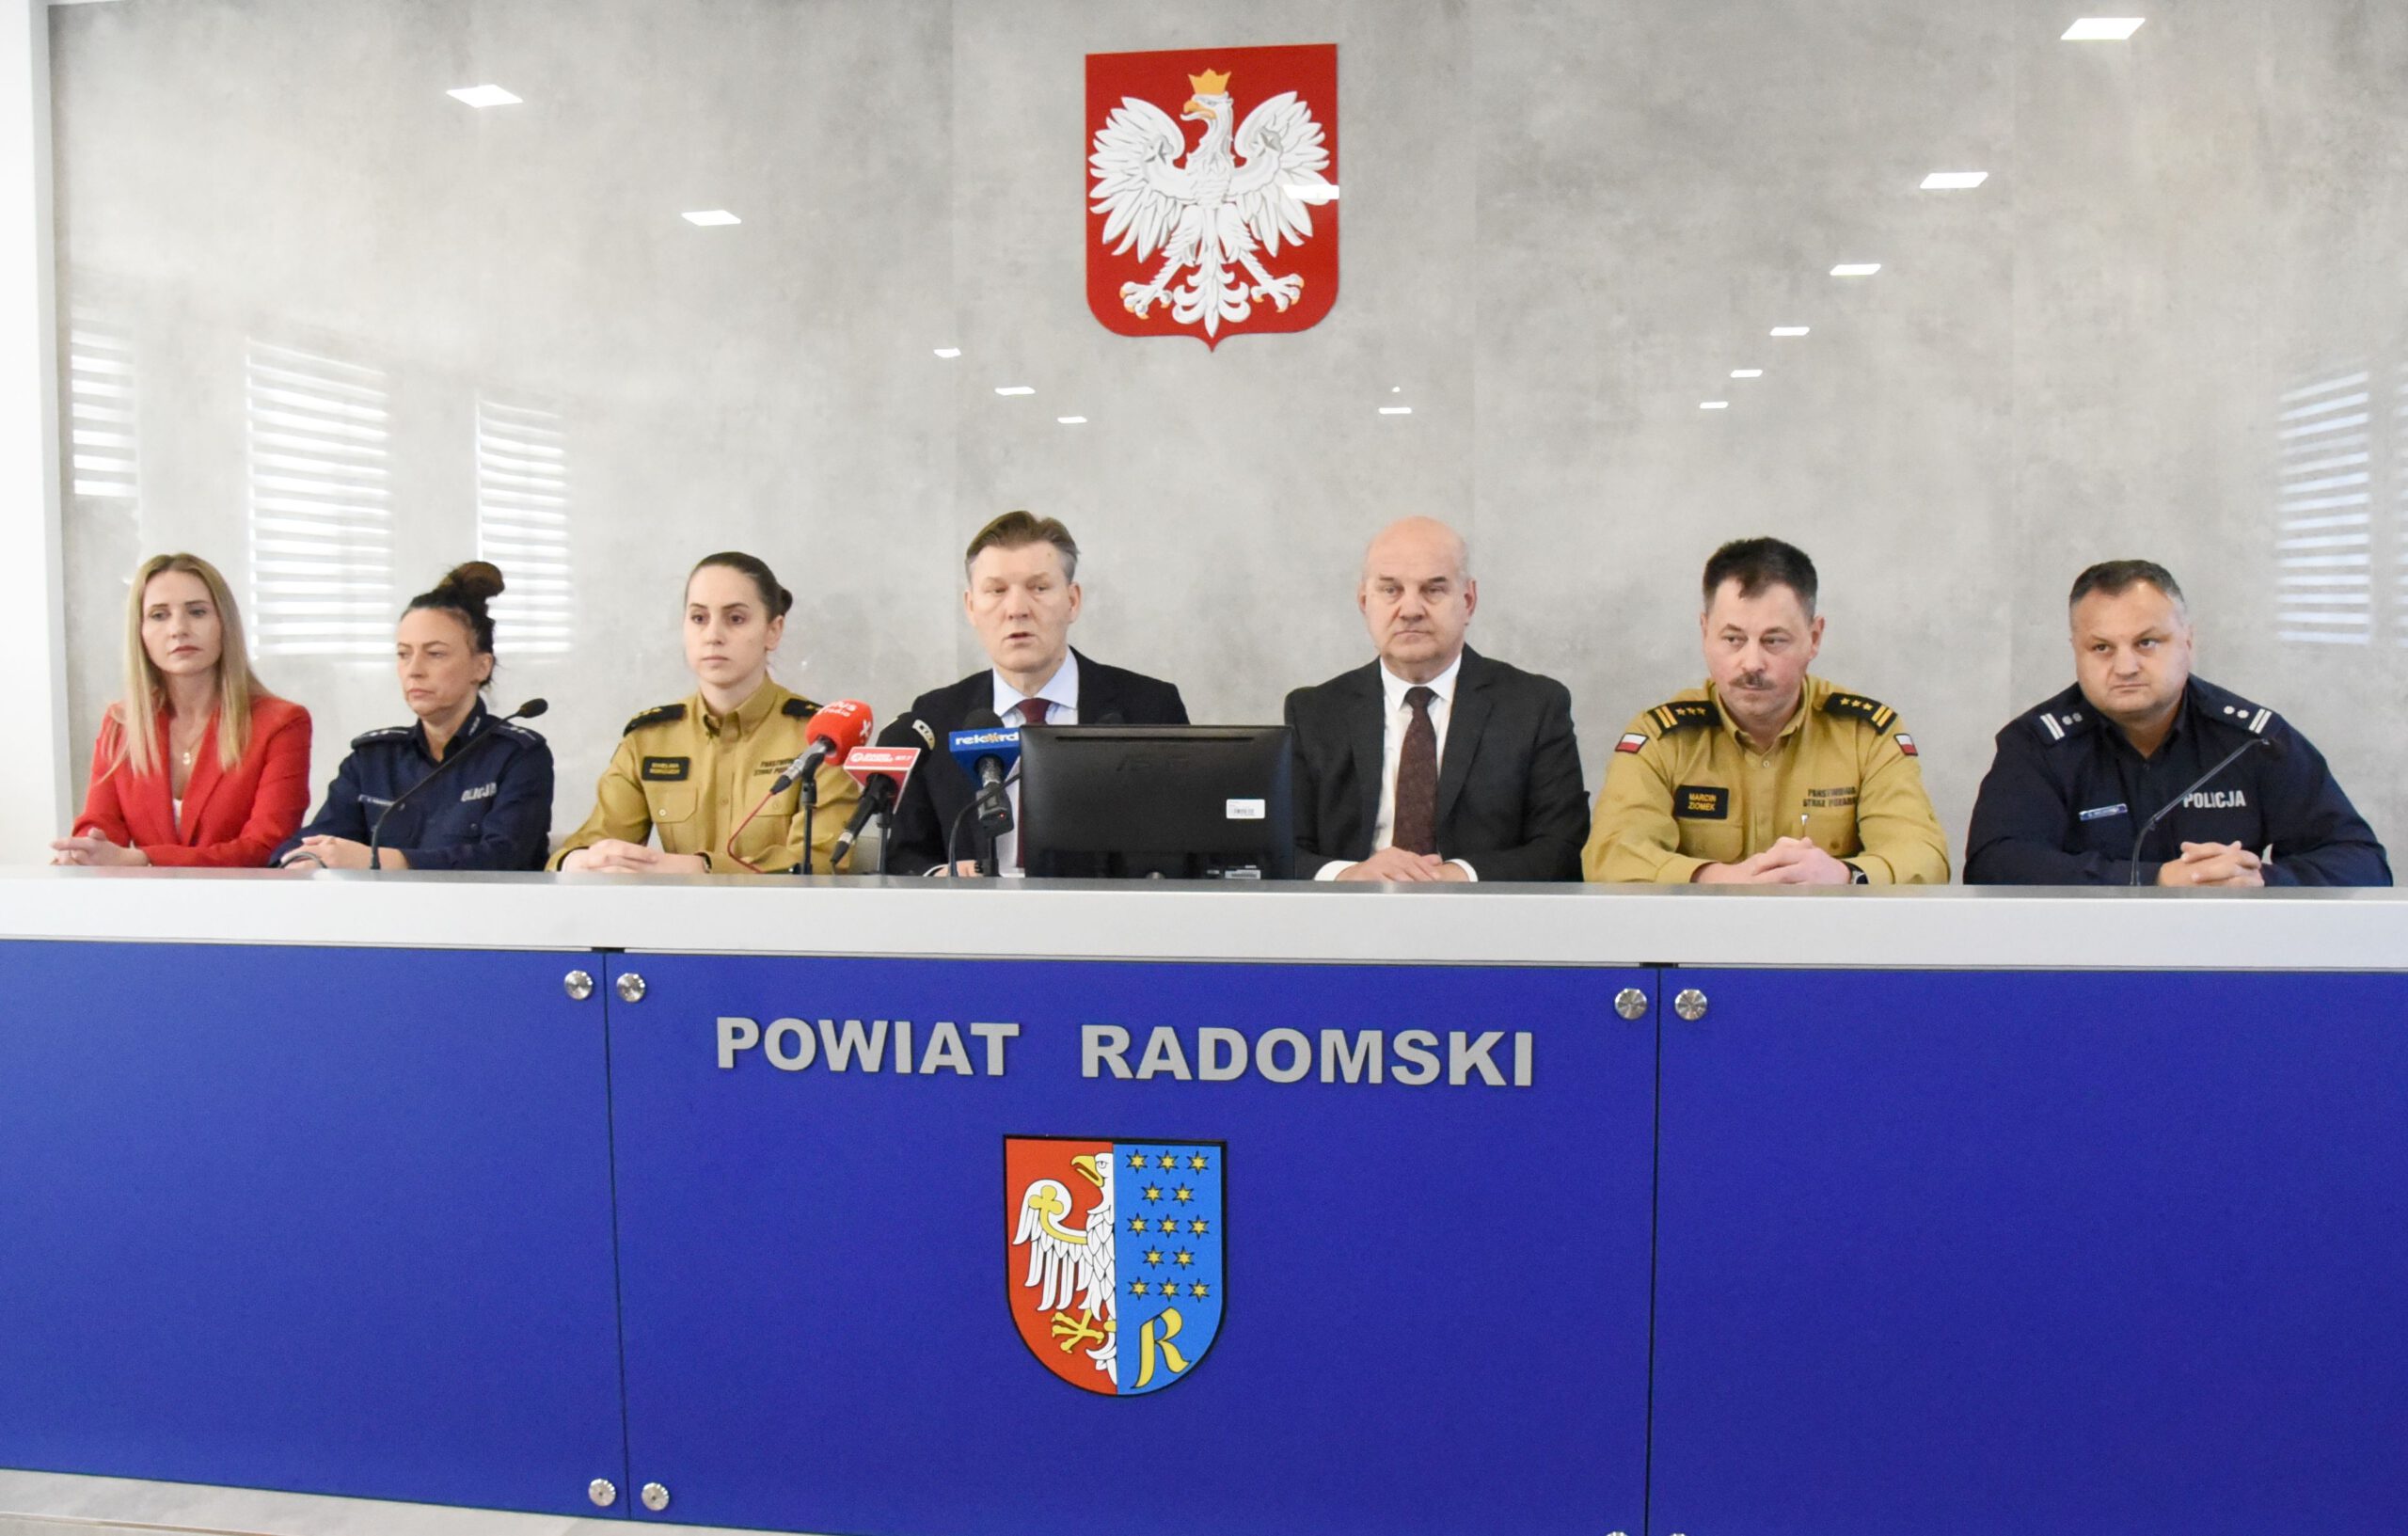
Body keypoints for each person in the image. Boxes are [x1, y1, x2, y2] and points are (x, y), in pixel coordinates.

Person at [1965, 560, 2389, 886]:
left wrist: (2259, 880)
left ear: (2188, 641)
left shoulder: (2253, 740)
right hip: (2087, 957)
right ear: (2076, 650)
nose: (2125, 667)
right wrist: (2152, 880)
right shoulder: (2038, 744)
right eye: (2101, 648)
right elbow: (1993, 866)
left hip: (2231, 955)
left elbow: (2363, 863)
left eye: (2147, 642)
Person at [1585, 537, 1948, 885]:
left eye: (1774, 641)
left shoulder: (1865, 735)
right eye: (1733, 639)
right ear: (1705, 631)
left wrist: (1844, 875)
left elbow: (1924, 856)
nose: (1752, 663)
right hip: (1700, 931)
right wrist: (1717, 879)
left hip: (1825, 928)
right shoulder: (1662, 739)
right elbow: (1610, 855)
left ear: (1814, 638)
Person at [883, 510, 1188, 876]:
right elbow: (905, 857)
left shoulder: (1149, 708)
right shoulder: (935, 718)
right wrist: (942, 876)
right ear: (971, 607)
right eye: (997, 591)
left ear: (1073, 601)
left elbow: (1182, 851)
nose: (1017, 610)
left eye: (1039, 588)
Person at [1284, 516, 1589, 882]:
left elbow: (1562, 847)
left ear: (1468, 601)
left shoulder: (1534, 706)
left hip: (1485, 912)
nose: (1411, 610)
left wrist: (1456, 877)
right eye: (1391, 590)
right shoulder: (1314, 712)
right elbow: (1280, 850)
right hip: (1350, 912)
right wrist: (1350, 875)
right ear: (1364, 601)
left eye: (1433, 590)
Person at [551, 552, 860, 875]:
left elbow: (822, 864)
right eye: (699, 618)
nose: (713, 636)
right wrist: (580, 862)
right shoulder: (649, 739)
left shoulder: (822, 739)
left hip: (780, 910)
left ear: (773, 631)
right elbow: (590, 843)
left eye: (735, 619)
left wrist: (696, 869)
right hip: (671, 908)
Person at [273, 562, 553, 872]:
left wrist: (383, 861)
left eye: (435, 654)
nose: (414, 670)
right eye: (404, 654)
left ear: (481, 666)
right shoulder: (372, 759)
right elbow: (311, 841)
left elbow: (504, 857)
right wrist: (305, 859)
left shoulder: (518, 756)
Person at [53, 552, 311, 868]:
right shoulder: (122, 723)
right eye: (159, 615)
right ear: (140, 632)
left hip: (244, 897)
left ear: (224, 624)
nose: (178, 629)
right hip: (142, 899)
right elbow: (100, 827)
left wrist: (145, 859)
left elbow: (266, 847)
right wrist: (83, 853)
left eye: (197, 612)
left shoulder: (282, 723)